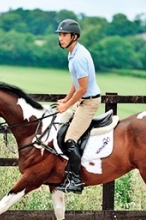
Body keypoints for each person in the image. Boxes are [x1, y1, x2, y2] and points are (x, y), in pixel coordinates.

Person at [55, 19, 101, 194]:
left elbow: (82, 88)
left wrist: (67, 106)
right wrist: (65, 100)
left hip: (88, 103)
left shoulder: (79, 57)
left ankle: (76, 181)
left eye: (64, 35)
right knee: (61, 128)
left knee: (70, 139)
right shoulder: (73, 53)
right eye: (60, 35)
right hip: (82, 100)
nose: (61, 38)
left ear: (74, 36)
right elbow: (75, 82)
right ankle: (67, 173)